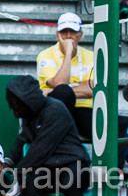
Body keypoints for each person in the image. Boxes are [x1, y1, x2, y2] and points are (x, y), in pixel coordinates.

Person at [5, 75, 88, 196]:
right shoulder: (29, 115)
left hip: (73, 162)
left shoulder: (55, 109)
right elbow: (22, 141)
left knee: (71, 183)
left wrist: (14, 174)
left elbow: (40, 150)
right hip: (49, 168)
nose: (14, 107)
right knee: (32, 183)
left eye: (17, 102)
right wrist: (7, 162)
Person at [35, 12, 95, 141]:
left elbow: (91, 89)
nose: (68, 37)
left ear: (80, 35)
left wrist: (55, 91)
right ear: (57, 35)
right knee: (62, 95)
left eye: (72, 32)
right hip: (55, 111)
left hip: (85, 111)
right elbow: (60, 84)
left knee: (122, 127)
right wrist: (68, 52)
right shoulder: (45, 55)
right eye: (64, 32)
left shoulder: (91, 56)